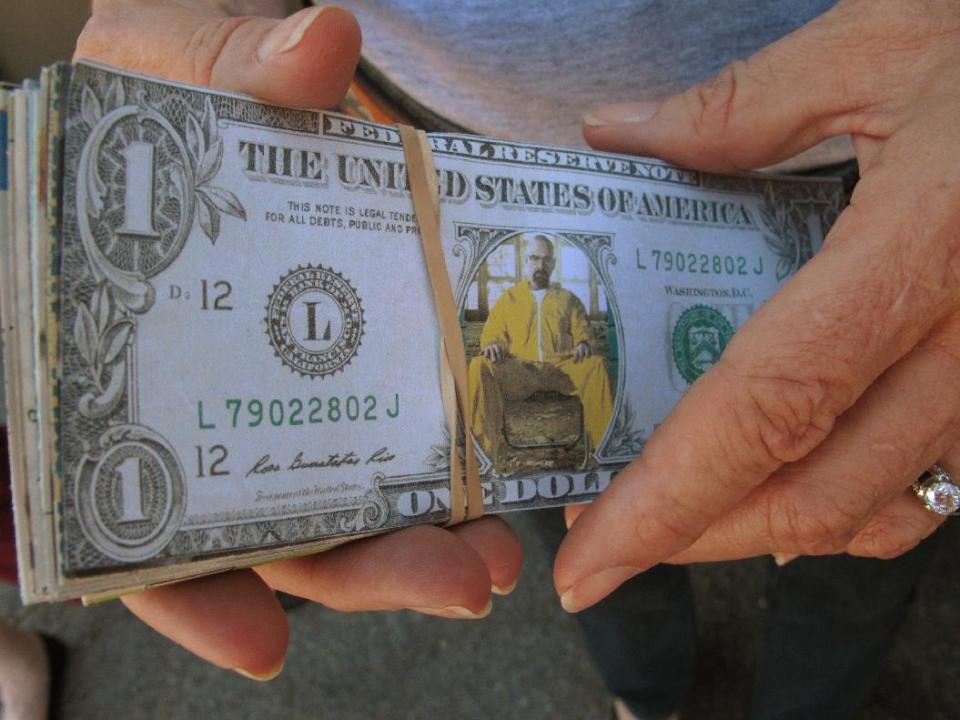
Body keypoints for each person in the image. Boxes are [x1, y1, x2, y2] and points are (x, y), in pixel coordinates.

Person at [70, 1, 960, 708]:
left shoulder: (565, 298)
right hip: (438, 138)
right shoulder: (513, 298)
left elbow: (579, 335)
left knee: (861, 522)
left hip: (886, 151)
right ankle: (646, 692)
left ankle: (808, 704)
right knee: (588, 523)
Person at [469, 233, 613, 466]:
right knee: (479, 365)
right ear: (525, 261)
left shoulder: (568, 299)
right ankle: (483, 457)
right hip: (522, 370)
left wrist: (583, 343)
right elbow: (493, 332)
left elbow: (582, 330)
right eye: (534, 258)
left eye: (546, 260)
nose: (540, 265)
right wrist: (493, 343)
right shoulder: (509, 299)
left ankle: (602, 452)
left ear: (554, 264)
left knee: (596, 365)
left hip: (562, 368)